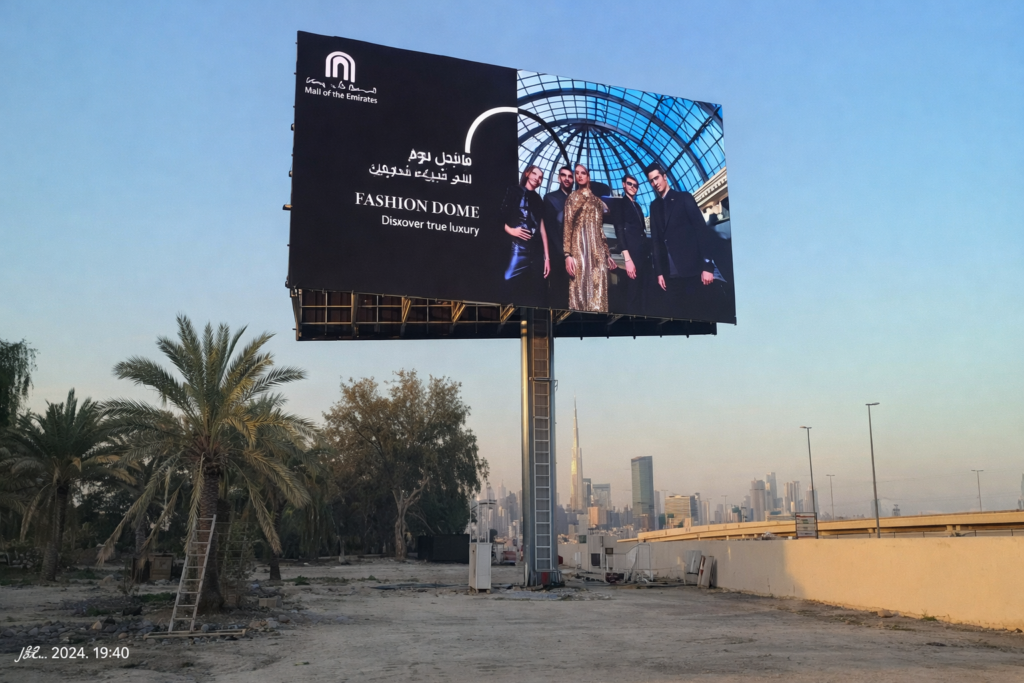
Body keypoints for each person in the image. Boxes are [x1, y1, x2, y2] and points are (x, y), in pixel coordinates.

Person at [645, 163, 715, 316]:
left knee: (697, 315)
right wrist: (659, 272)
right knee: (676, 317)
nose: (655, 183)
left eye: (656, 178)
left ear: (665, 177)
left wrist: (708, 266)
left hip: (692, 271)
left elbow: (701, 231)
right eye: (651, 181)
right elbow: (656, 241)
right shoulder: (654, 206)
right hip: (669, 276)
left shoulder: (684, 198)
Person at [563, 164, 616, 312]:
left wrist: (607, 254)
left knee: (598, 291)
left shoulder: (598, 202)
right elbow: (567, 227)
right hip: (578, 250)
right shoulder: (571, 198)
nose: (579, 176)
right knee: (579, 291)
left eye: (583, 173)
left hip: (597, 249)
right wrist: (567, 255)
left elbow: (600, 229)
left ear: (588, 176)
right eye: (577, 173)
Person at [501, 165, 550, 305]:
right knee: (508, 281)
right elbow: (497, 217)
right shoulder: (513, 190)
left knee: (532, 290)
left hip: (535, 252)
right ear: (527, 173)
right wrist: (511, 231)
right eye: (535, 174)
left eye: (540, 177)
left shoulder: (538, 199)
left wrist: (547, 258)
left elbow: (542, 229)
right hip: (516, 248)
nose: (537, 178)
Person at [611, 173, 651, 315]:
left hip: (643, 254)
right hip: (631, 255)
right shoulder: (619, 204)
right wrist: (627, 259)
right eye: (630, 184)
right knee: (632, 292)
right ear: (623, 184)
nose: (633, 187)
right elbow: (619, 230)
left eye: (636, 185)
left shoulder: (638, 206)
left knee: (643, 292)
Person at [543, 166, 574, 309]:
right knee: (559, 293)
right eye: (564, 175)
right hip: (558, 254)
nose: (567, 178)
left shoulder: (577, 199)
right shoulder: (550, 198)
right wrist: (563, 253)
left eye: (570, 176)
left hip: (577, 254)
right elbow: (550, 229)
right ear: (559, 178)